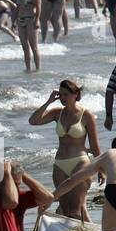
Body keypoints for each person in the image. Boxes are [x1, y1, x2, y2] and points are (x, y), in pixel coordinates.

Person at [28, 79, 101, 219]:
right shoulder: (57, 113)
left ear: (75, 95)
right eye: (60, 95)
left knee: (76, 210)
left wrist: (101, 170)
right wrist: (49, 101)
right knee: (64, 210)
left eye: (66, 94)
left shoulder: (87, 116)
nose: (62, 98)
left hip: (80, 163)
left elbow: (95, 146)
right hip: (60, 164)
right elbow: (33, 121)